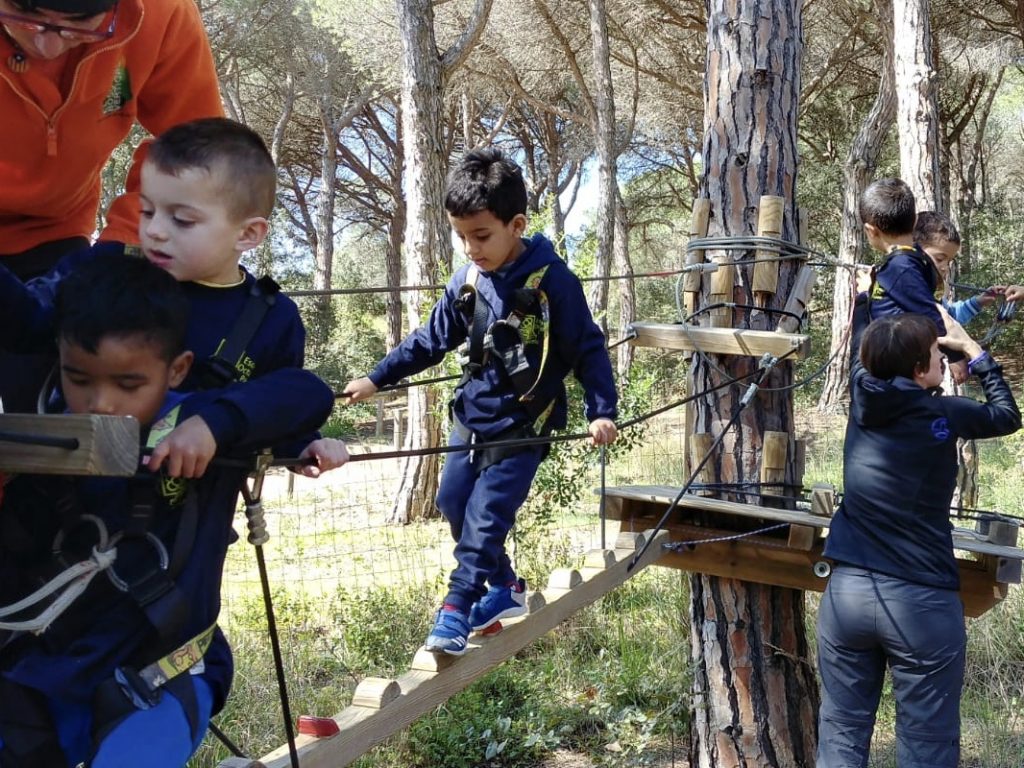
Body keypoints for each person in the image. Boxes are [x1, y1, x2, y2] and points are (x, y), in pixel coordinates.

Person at [0, 254, 335, 767]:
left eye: (128, 385)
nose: (100, 403)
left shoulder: (192, 418)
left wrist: (216, 425)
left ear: (176, 369)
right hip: (49, 673)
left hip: (161, 674)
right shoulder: (42, 429)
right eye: (79, 378)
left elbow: (305, 391)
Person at [343, 147, 618, 656]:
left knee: (486, 518)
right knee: (452, 503)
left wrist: (601, 410)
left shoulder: (553, 282)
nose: (471, 248)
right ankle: (504, 587)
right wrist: (377, 378)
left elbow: (587, 348)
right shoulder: (467, 281)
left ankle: (456, 607)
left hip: (524, 424)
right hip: (471, 416)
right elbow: (429, 340)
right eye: (462, 236)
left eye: (482, 236)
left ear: (517, 225)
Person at [0, 117, 349, 477]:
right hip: (59, 500)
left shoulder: (272, 318)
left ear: (247, 234)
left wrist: (302, 446)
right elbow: (25, 321)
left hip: (188, 511)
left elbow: (283, 401)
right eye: (147, 211)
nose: (154, 230)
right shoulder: (100, 268)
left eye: (181, 219)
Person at [816, 311, 1020, 768]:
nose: (942, 360)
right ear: (916, 368)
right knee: (927, 743)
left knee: (841, 731)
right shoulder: (944, 413)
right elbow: (1007, 416)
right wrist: (974, 352)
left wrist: (865, 297)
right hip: (921, 603)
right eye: (934, 354)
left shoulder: (862, 396)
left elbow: (864, 352)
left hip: (848, 595)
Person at [0, 0, 224, 411]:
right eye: (26, 17)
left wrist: (126, 239)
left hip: (54, 230)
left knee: (55, 412)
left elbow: (195, 147)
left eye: (79, 24)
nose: (49, 46)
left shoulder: (164, 14)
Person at [913, 211, 1024, 326]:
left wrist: (978, 302)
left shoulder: (933, 292)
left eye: (949, 262)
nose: (945, 268)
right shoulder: (907, 292)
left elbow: (951, 316)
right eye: (939, 259)